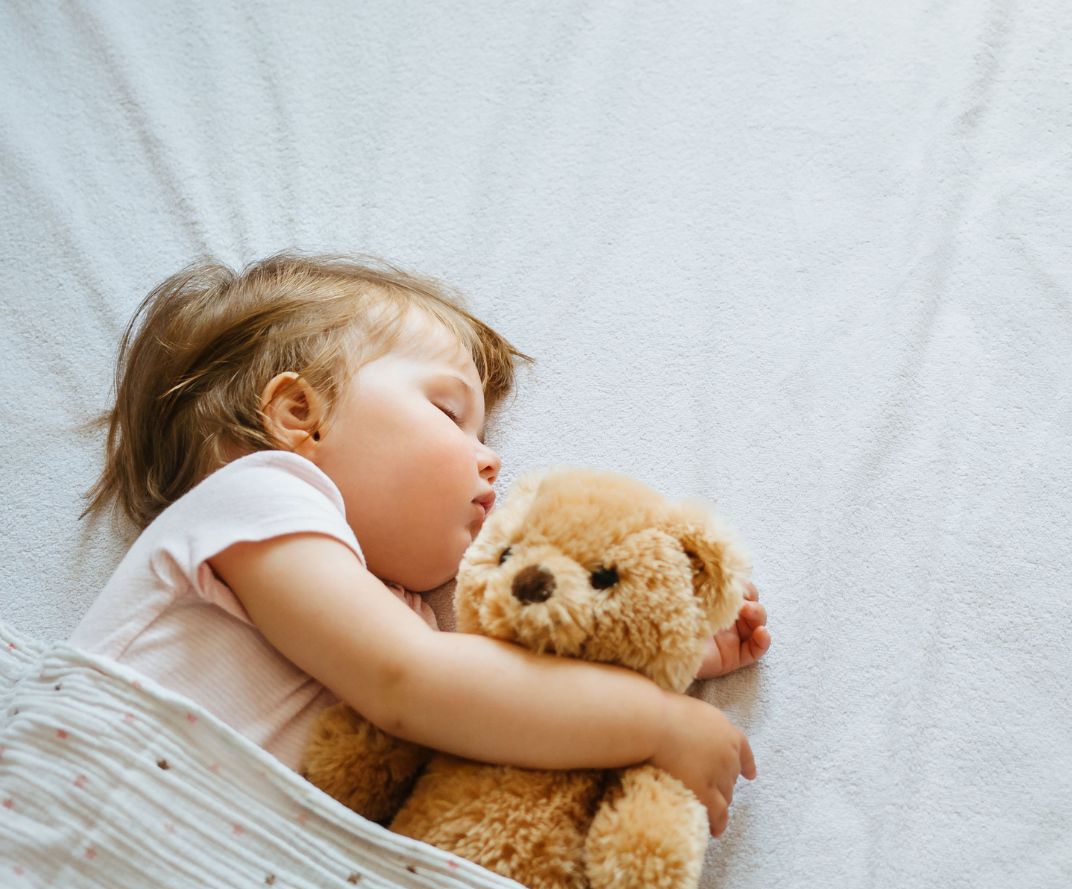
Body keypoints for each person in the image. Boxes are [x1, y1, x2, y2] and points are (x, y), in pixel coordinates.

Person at [74, 252, 770, 839]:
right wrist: (653, 721)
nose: (490, 460)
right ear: (298, 417)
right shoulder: (259, 497)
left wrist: (649, 655)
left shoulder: (404, 610)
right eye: (450, 413)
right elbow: (412, 682)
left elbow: (494, 697)